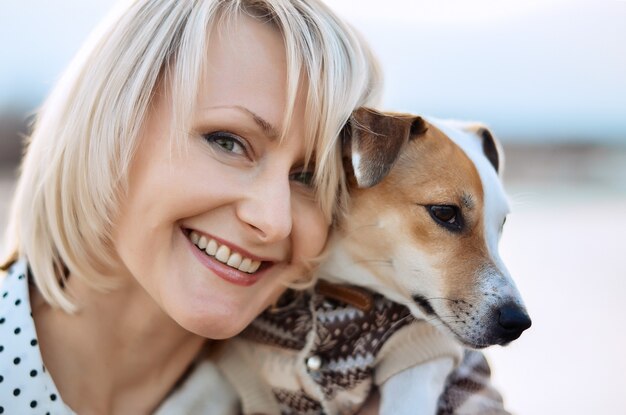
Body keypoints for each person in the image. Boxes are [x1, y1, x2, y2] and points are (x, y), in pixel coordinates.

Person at [0, 0, 509, 414]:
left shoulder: (385, 360)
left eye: (310, 176)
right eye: (226, 141)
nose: (273, 219)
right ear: (110, 123)